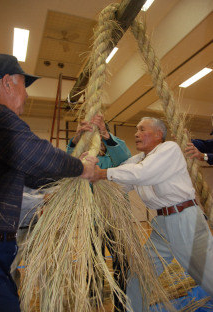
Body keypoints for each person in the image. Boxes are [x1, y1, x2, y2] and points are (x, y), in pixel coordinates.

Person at [0, 53, 98, 312]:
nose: (28, 95)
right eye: (24, 85)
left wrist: (71, 174)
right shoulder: (1, 118)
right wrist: (81, 169)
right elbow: (35, 155)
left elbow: (35, 176)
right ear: (7, 83)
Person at [91, 117, 213, 311]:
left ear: (158, 134)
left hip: (184, 218)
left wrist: (102, 173)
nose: (136, 134)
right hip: (161, 224)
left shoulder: (169, 149)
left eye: (141, 129)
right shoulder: (139, 160)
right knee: (140, 275)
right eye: (136, 130)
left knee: (207, 275)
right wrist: (91, 173)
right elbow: (122, 181)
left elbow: (142, 174)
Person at [67, 113, 131, 312]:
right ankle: (94, 297)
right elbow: (67, 162)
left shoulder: (114, 155)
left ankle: (120, 301)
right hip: (91, 220)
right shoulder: (82, 158)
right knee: (94, 260)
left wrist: (105, 133)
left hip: (115, 220)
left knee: (121, 262)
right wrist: (76, 139)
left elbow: (125, 158)